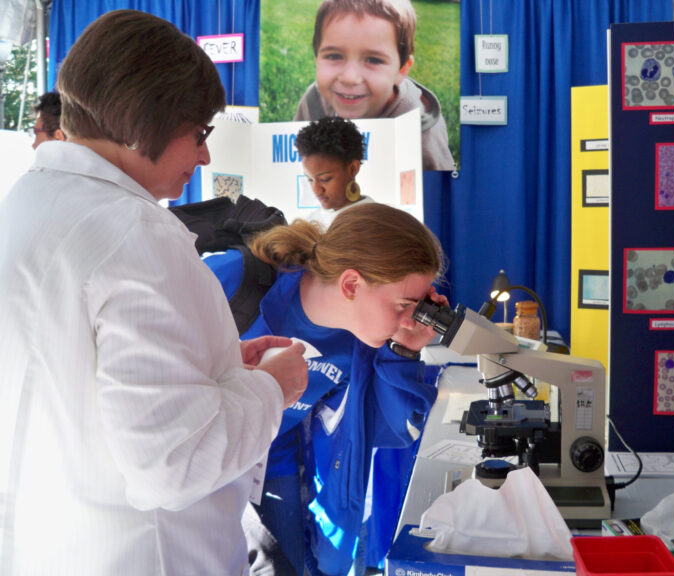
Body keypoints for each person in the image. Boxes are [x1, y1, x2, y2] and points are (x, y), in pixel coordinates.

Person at [0, 10, 308, 576]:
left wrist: (212, 367)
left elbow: (77, 378)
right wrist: (272, 388)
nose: (205, 157)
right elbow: (173, 463)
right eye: (200, 134)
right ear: (145, 126)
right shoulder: (135, 234)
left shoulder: (28, 202)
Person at [206, 203, 446, 575]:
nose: (407, 319)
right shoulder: (234, 281)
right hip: (204, 454)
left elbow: (387, 430)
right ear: (351, 285)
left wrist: (404, 350)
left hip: (272, 457)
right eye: (404, 305)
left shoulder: (361, 341)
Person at [293, 0, 454, 172]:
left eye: (373, 60)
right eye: (334, 56)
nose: (350, 78)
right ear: (317, 59)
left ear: (401, 70)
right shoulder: (313, 103)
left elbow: (439, 183)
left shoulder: (420, 130)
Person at [296, 116, 373, 229]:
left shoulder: (377, 222)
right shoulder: (310, 223)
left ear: (353, 169)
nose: (316, 190)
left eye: (325, 179)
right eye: (310, 180)